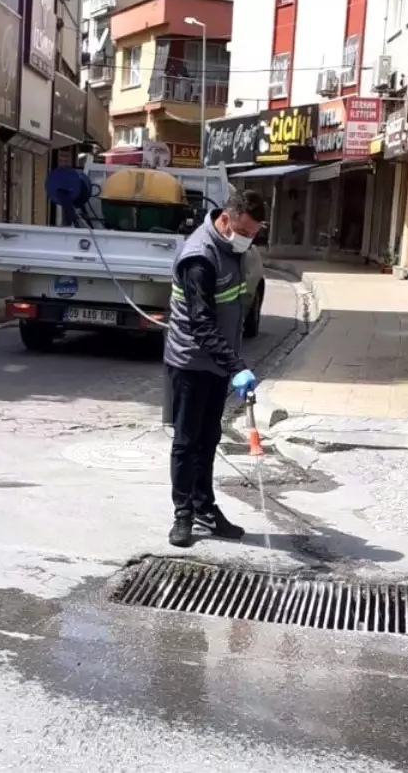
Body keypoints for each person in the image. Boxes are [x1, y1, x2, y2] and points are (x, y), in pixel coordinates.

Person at [164, 188, 266, 548]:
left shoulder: (231, 247)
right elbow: (201, 324)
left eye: (255, 233)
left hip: (218, 364)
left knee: (209, 438)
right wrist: (236, 365)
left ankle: (205, 507)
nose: (250, 239)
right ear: (227, 218)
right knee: (187, 441)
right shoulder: (200, 257)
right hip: (191, 361)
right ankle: (183, 515)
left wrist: (229, 364)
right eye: (246, 231)